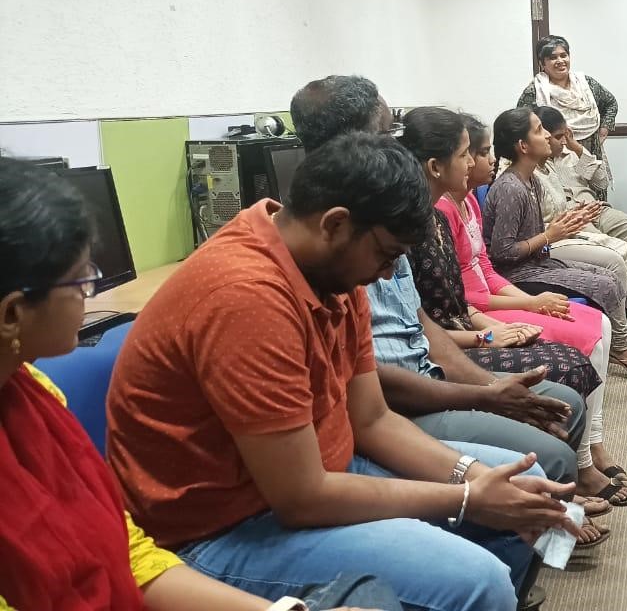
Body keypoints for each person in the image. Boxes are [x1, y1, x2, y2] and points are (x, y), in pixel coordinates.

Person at [106, 134, 575, 611]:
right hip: (226, 526)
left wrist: (474, 481)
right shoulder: (246, 299)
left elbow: (372, 420)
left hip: (326, 472)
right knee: (478, 583)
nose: (388, 274)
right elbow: (302, 498)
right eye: (386, 254)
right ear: (334, 223)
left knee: (518, 499)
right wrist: (465, 498)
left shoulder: (329, 266)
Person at [0, 158, 401, 611]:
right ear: (12, 314)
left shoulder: (31, 389)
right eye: (80, 281)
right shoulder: (245, 296)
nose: (89, 292)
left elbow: (127, 553)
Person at [289, 77, 596, 521]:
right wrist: (483, 389)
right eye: (388, 133)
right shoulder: (339, 253)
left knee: (560, 405)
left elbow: (422, 326)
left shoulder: (373, 231)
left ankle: (549, 517)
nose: (398, 145)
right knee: (548, 456)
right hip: (389, 415)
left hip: (410, 392)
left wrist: (486, 387)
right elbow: (313, 478)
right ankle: (550, 518)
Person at [401, 106, 627, 510]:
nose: (484, 160)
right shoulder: (462, 206)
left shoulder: (468, 204)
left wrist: (528, 299)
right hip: (499, 296)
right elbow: (489, 271)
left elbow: (478, 275)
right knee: (581, 333)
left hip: (491, 301)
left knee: (600, 301)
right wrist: (507, 316)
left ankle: (592, 451)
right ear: (435, 166)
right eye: (472, 153)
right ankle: (581, 465)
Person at [483, 107, 627, 381]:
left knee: (607, 274)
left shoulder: (531, 181)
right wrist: (552, 235)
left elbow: (537, 238)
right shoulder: (510, 188)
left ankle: (609, 341)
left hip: (537, 263)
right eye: (539, 130)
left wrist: (563, 227)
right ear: (523, 146)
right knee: (606, 283)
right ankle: (621, 347)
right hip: (516, 275)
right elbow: (501, 253)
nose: (547, 135)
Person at [536, 105, 627, 328]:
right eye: (558, 136)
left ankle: (626, 309)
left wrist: (577, 148)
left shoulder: (570, 152)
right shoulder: (536, 162)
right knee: (611, 249)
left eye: (566, 135)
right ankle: (613, 314)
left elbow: (601, 182)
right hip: (571, 219)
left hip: (595, 209)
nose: (563, 141)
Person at [517, 35, 618, 201]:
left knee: (595, 202)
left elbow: (610, 103)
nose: (560, 61)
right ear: (542, 63)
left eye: (563, 55)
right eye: (552, 57)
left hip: (589, 153)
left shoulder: (587, 84)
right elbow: (522, 125)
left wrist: (604, 128)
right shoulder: (534, 91)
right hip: (557, 159)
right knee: (568, 202)